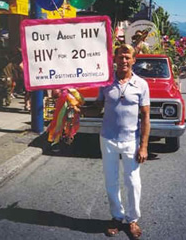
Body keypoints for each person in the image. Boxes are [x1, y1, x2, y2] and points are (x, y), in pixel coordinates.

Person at [82, 44, 150, 238]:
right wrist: (77, 109)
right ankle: (116, 217)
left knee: (133, 182)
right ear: (115, 59)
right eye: (120, 57)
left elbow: (145, 117)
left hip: (131, 140)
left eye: (127, 57)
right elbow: (97, 108)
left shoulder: (141, 85)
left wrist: (144, 146)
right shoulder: (105, 83)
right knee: (111, 181)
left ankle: (133, 219)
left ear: (134, 60)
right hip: (108, 139)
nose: (124, 60)